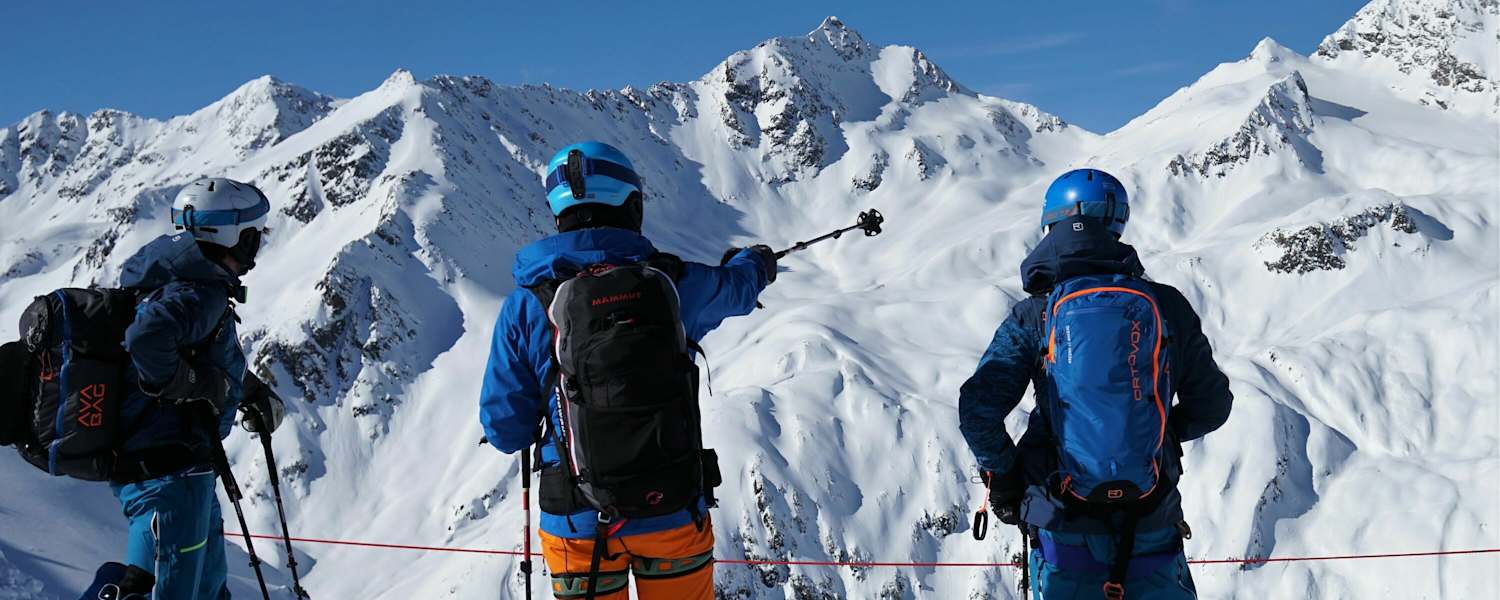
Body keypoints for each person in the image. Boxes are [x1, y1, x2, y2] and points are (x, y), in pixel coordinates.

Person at [479, 141, 776, 599]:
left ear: (559, 214)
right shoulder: (674, 285)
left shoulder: (527, 306)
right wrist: (754, 260)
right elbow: (737, 289)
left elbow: (506, 431)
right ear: (632, 205)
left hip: (576, 521)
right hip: (672, 509)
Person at [958, 169, 1233, 599]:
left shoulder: (1035, 316)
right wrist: (1160, 434)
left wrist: (1006, 480)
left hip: (1062, 530)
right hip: (1153, 525)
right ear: (1118, 223)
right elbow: (1212, 405)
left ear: (1050, 225)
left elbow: (978, 408)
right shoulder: (1167, 306)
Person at [81, 177, 282, 600]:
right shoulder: (199, 293)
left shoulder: (172, 277)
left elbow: (199, 354)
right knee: (164, 589)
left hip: (183, 468)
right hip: (167, 474)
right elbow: (146, 338)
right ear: (234, 237)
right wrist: (195, 385)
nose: (257, 246)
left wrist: (244, 388)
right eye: (253, 235)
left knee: (207, 589)